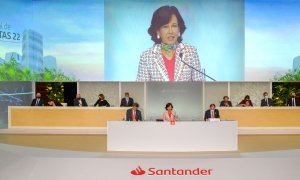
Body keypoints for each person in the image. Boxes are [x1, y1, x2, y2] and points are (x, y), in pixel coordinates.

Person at [136, 5, 203, 81]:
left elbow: (200, 87)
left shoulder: (191, 53)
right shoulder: (146, 57)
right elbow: (142, 90)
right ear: (158, 31)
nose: (170, 31)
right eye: (165, 27)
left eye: (174, 26)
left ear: (179, 29)